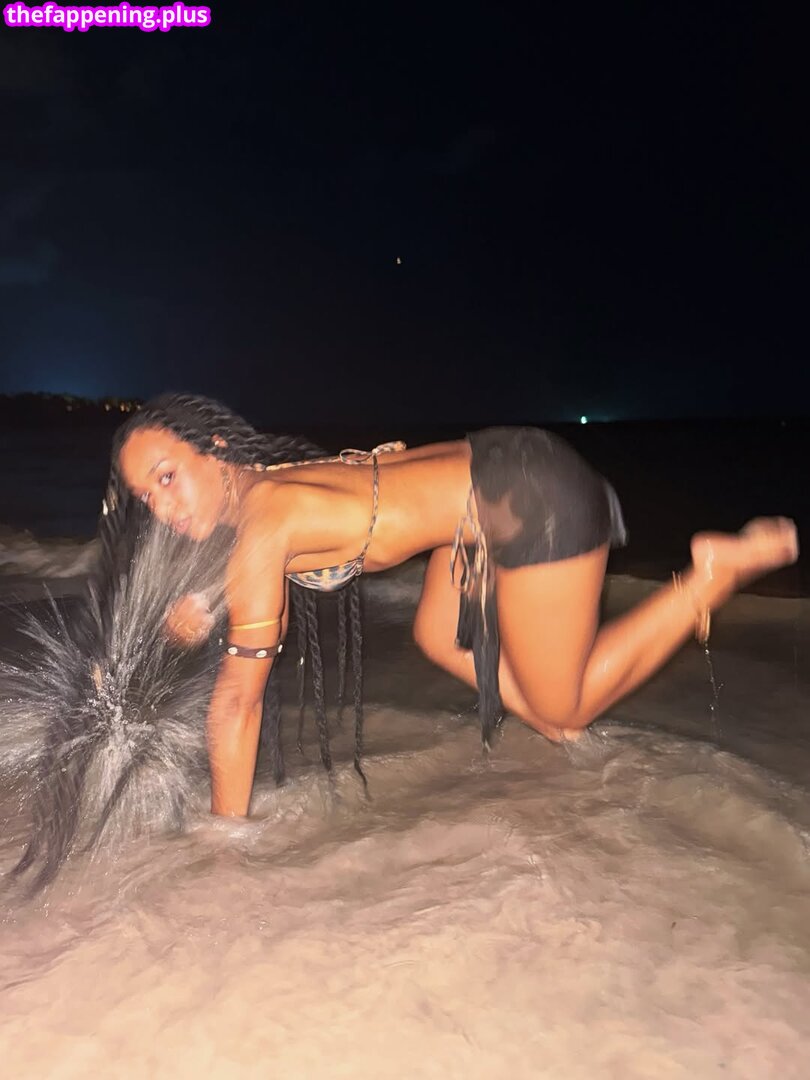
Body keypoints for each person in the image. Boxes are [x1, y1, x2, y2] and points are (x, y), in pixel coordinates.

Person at [109, 394, 798, 818]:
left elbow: (238, 701)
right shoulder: (266, 482)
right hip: (499, 462)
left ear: (216, 450)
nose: (163, 508)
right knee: (439, 634)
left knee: (569, 703)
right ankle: (548, 720)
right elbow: (283, 546)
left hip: (530, 498)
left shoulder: (261, 527)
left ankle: (708, 578)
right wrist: (210, 599)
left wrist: (225, 838)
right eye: (147, 496)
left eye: (168, 478)